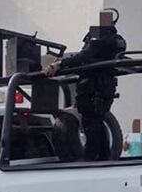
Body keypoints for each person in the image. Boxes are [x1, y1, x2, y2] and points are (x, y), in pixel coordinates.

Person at [44, 9, 127, 161]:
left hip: (92, 89)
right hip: (105, 89)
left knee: (91, 124)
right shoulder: (117, 41)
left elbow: (84, 56)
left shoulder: (100, 38)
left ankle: (91, 159)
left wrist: (60, 64)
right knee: (98, 122)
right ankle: (103, 158)